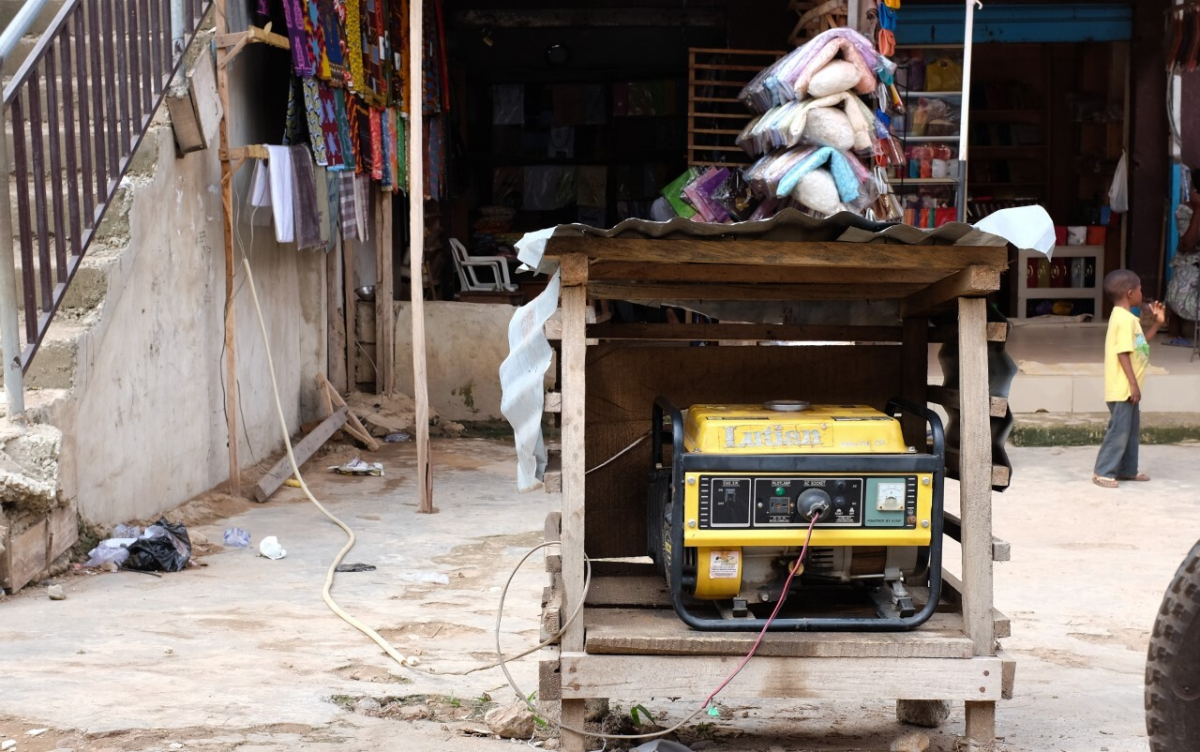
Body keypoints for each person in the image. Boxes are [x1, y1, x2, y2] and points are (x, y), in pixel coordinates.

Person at [1093, 269, 1166, 489]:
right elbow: (1122, 353)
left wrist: (1158, 323)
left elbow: (1141, 343)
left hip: (1127, 388)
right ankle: (1103, 471)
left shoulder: (1127, 318)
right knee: (1120, 431)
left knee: (1130, 431)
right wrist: (1133, 385)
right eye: (1141, 289)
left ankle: (1126, 470)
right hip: (1123, 387)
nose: (1143, 293)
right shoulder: (1123, 320)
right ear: (1130, 292)